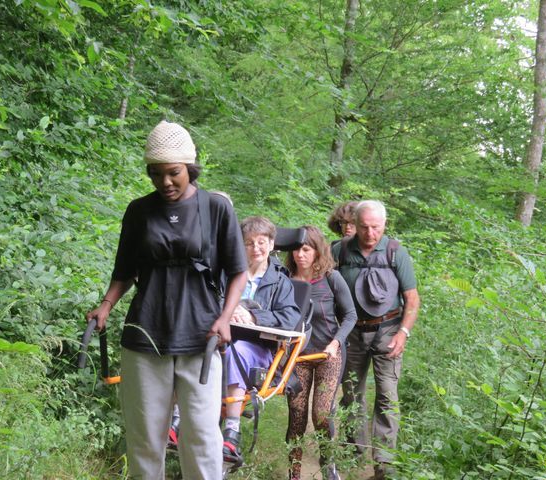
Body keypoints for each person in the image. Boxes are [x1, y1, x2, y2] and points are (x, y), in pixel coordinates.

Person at [85, 120, 248, 480]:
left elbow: (239, 271)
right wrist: (106, 305)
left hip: (202, 335)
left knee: (203, 436)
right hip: (146, 334)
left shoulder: (216, 209)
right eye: (156, 174)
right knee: (145, 437)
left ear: (189, 168)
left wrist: (225, 318)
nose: (165, 182)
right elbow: (124, 270)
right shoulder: (139, 211)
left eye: (173, 173)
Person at [332, 200, 420, 480]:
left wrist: (403, 333)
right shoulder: (340, 251)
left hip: (388, 332)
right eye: (364, 227)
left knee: (387, 396)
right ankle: (352, 453)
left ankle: (383, 464)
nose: (370, 233)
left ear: (385, 225)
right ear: (354, 225)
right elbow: (320, 286)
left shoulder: (396, 252)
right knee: (351, 393)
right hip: (352, 332)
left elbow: (412, 299)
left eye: (376, 227)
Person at [222, 216, 301, 463]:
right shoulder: (229, 272)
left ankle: (231, 432)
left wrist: (253, 316)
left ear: (272, 244)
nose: (255, 248)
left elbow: (290, 318)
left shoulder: (280, 280)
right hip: (221, 338)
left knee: (239, 350)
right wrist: (228, 310)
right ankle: (178, 421)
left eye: (261, 242)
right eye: (248, 243)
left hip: (259, 347)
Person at [284, 226, 357, 480]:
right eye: (296, 249)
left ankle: (328, 466)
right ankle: (293, 472)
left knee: (322, 414)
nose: (299, 254)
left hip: (329, 354)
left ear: (317, 250)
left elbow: (350, 315)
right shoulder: (285, 280)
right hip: (298, 357)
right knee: (296, 415)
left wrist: (335, 343)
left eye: (306, 249)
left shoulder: (331, 278)